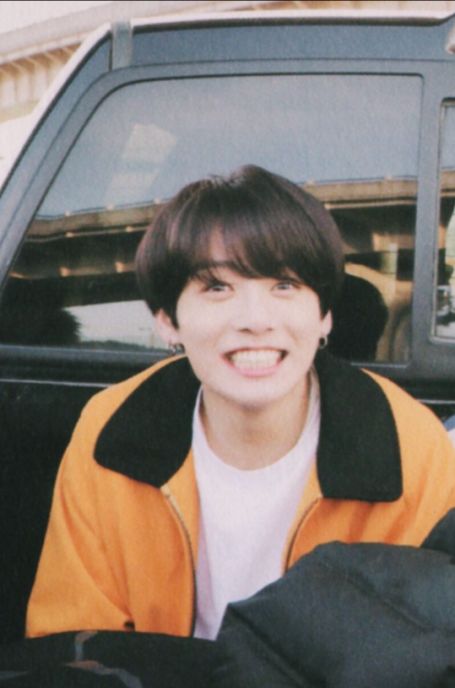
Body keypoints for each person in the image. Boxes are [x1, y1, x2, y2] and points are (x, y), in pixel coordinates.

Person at [26, 165, 455, 640]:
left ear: (325, 315)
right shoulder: (110, 430)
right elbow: (75, 644)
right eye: (217, 287)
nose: (255, 319)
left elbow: (418, 665)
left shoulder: (408, 444)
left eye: (285, 285)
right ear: (167, 320)